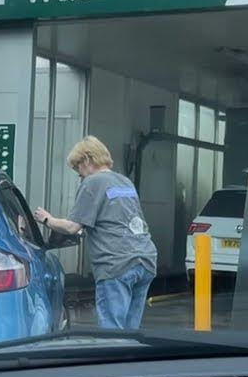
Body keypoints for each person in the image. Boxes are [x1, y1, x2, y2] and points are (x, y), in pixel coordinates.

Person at [34, 136, 158, 330]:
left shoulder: (93, 182)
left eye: (78, 170)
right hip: (145, 261)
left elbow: (72, 227)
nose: (79, 176)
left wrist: (47, 219)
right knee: (130, 331)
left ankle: (114, 358)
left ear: (87, 160)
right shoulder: (125, 182)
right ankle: (129, 358)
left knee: (112, 332)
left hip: (117, 264)